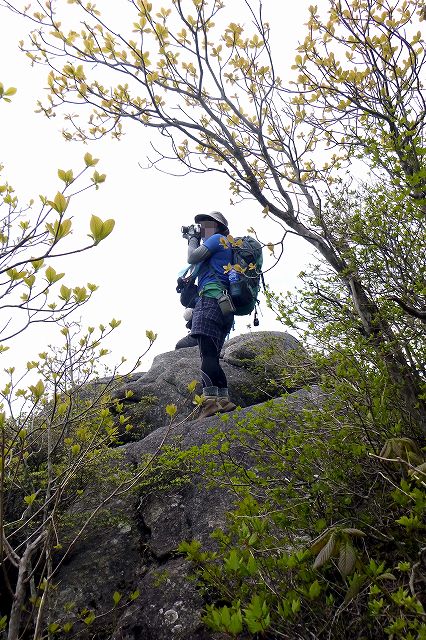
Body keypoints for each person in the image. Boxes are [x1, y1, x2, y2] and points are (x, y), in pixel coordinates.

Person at [184, 211, 237, 419]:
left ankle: (208, 403)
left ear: (216, 226)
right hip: (225, 306)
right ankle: (223, 400)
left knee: (206, 353)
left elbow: (192, 256)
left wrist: (191, 240)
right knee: (213, 355)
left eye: (204, 225)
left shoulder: (217, 239)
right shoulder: (227, 245)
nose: (201, 229)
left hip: (210, 300)